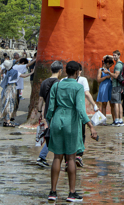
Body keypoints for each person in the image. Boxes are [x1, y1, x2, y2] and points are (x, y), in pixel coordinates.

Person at [45, 61, 98, 203]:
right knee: (71, 158)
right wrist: (90, 126)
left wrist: (48, 122)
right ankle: (71, 193)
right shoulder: (78, 87)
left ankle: (52, 192)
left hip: (57, 120)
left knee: (57, 157)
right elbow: (81, 110)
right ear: (77, 72)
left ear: (66, 71)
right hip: (71, 122)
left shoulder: (57, 85)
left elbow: (50, 107)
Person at [33, 60, 65, 167]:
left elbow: (40, 99)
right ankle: (42, 157)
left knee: (52, 134)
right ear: (60, 71)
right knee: (54, 135)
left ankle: (43, 157)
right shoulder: (59, 83)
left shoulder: (44, 82)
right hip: (56, 112)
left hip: (47, 111)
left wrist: (39, 112)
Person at [0, 59, 18, 126]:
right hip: (11, 88)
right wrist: (31, 73)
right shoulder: (13, 71)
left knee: (5, 104)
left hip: (6, 88)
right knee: (10, 104)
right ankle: (8, 121)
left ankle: (5, 121)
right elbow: (22, 75)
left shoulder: (5, 71)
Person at [110, 51, 124, 125]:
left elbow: (116, 76)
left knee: (116, 103)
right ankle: (120, 120)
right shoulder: (121, 64)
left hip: (116, 86)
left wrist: (109, 73)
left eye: (115, 55)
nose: (114, 57)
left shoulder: (118, 65)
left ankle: (116, 120)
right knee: (119, 103)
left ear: (119, 55)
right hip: (119, 86)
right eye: (113, 56)